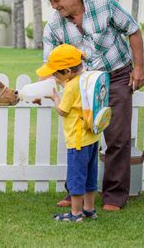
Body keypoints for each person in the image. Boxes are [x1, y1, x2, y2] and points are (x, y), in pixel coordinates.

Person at [30, 0, 144, 211]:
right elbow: (49, 64)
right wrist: (40, 90)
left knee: (117, 138)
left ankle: (114, 196)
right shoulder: (54, 26)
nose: (54, 6)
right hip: (81, 85)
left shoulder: (105, 4)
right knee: (81, 141)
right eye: (51, 1)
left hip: (116, 76)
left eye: (57, 0)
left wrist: (139, 68)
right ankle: (76, 192)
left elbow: (133, 30)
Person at [37, 44, 99, 222]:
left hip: (77, 139)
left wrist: (56, 98)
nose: (54, 76)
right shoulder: (86, 79)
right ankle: (89, 209)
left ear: (68, 71)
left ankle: (76, 214)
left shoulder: (71, 87)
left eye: (56, 72)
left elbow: (63, 111)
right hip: (92, 136)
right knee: (90, 174)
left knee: (76, 177)